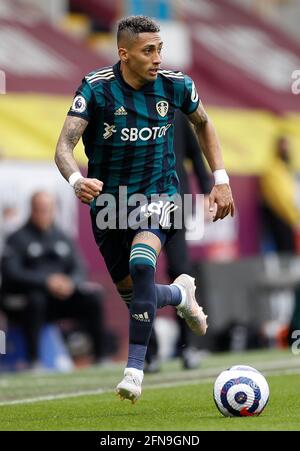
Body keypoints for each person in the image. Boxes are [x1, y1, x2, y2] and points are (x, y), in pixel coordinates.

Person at [55, 15, 234, 403]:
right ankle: (179, 295)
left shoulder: (176, 85)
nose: (157, 58)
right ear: (124, 54)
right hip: (110, 207)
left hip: (160, 196)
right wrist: (75, 181)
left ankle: (134, 372)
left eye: (160, 49)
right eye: (148, 51)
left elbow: (203, 123)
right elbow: (64, 147)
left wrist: (220, 179)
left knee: (141, 264)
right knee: (136, 293)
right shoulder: (97, 89)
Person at [1, 191, 106, 369]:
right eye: (40, 209)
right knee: (36, 299)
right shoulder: (17, 238)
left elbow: (80, 267)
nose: (44, 214)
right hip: (27, 300)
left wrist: (70, 282)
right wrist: (46, 281)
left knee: (93, 298)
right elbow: (12, 272)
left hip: (60, 298)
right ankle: (33, 360)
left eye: (48, 209)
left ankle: (101, 357)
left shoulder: (62, 237)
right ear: (32, 210)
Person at [145, 110, 212, 372]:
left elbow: (195, 153)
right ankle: (148, 353)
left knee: (180, 272)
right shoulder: (127, 107)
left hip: (175, 202)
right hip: (137, 203)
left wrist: (208, 190)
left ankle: (188, 347)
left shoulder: (175, 110)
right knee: (141, 274)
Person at [260, 136, 300, 253]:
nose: (285, 150)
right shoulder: (273, 170)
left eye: (287, 146)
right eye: (283, 146)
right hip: (280, 218)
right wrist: (294, 218)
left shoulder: (289, 170)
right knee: (284, 251)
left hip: (291, 218)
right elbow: (280, 200)